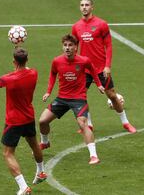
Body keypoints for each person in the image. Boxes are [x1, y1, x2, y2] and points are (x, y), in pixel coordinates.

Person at [0, 47, 47, 195]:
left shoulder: (9, 78)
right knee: (34, 144)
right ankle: (41, 172)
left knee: (8, 153)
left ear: (14, 61)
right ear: (27, 60)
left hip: (14, 121)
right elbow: (23, 68)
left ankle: (23, 187)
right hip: (28, 117)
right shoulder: (34, 73)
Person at [72, 0, 136, 133]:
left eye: (87, 5)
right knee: (80, 97)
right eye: (82, 5)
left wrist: (108, 66)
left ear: (92, 7)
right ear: (80, 7)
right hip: (84, 69)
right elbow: (74, 47)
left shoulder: (101, 24)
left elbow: (109, 46)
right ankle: (88, 124)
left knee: (112, 95)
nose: (84, 7)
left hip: (101, 68)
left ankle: (125, 123)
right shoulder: (76, 26)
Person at [39, 34, 105, 165]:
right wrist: (48, 92)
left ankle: (93, 156)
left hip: (78, 99)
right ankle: (45, 142)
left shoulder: (84, 60)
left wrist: (99, 85)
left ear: (76, 47)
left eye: (70, 45)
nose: (67, 48)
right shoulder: (57, 61)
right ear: (62, 47)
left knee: (83, 124)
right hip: (62, 98)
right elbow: (52, 75)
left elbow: (93, 71)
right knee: (42, 121)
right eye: (65, 45)